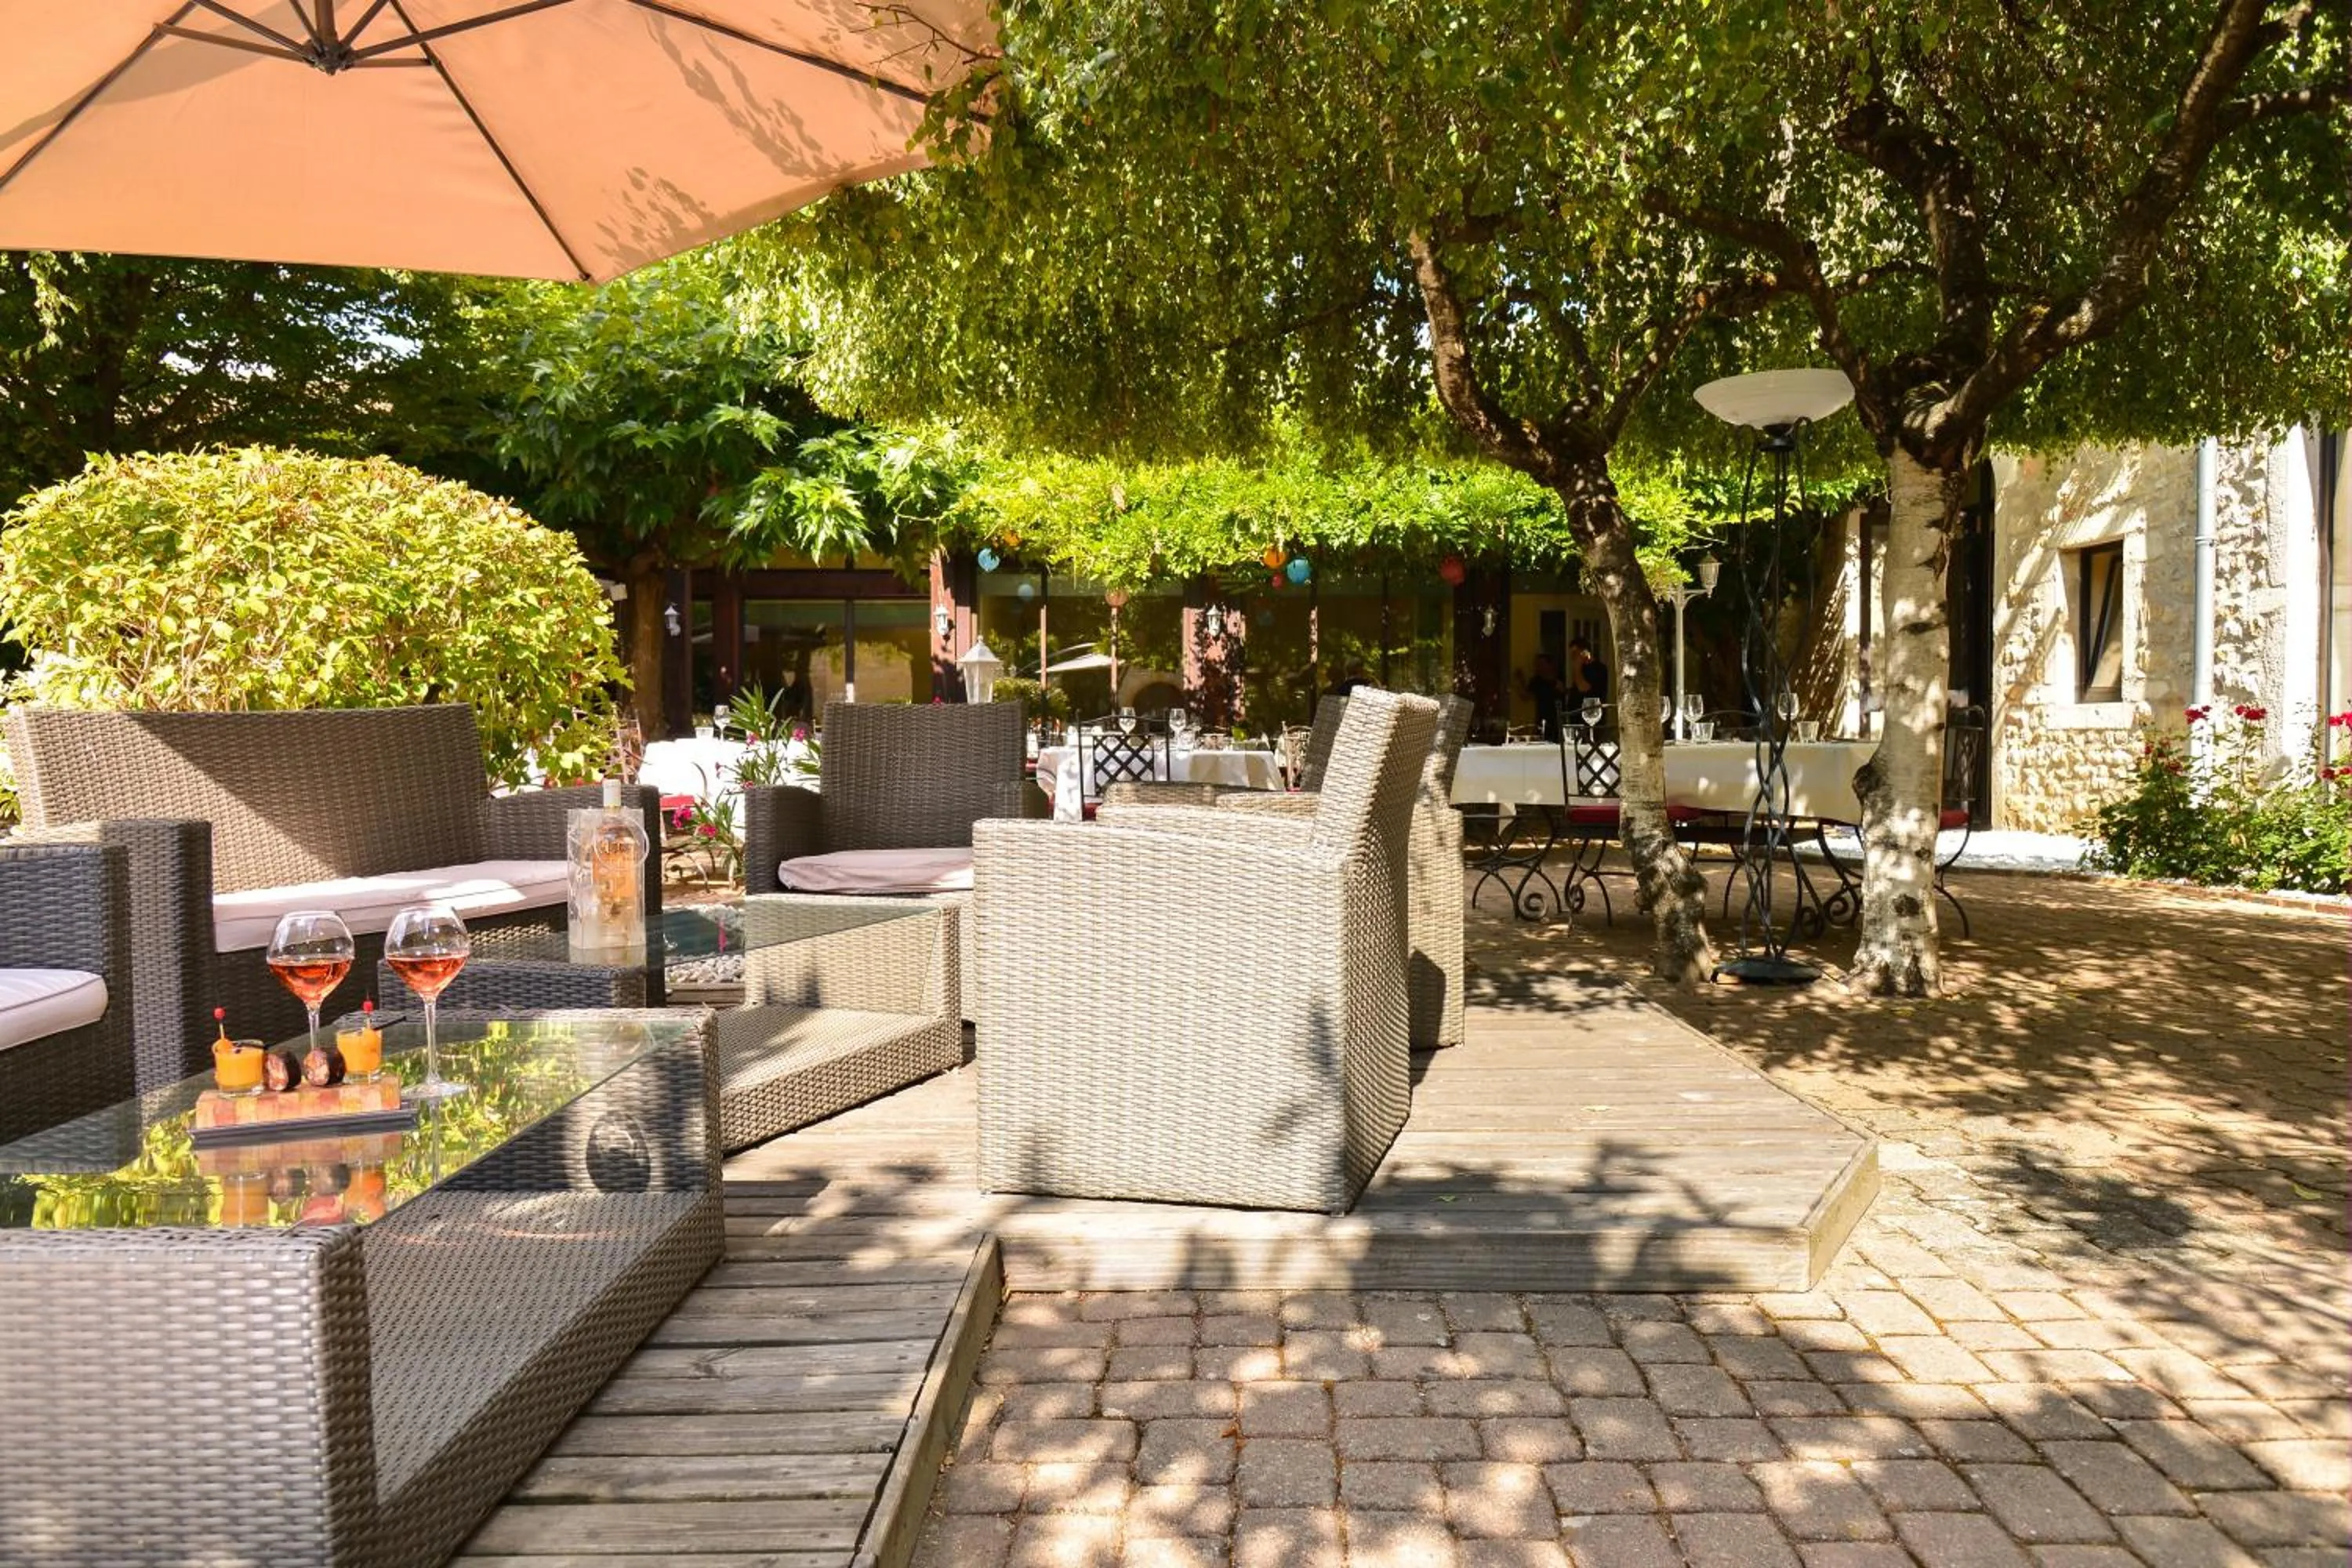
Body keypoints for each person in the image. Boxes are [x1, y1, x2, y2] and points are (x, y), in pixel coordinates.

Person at [1524, 652, 1563, 740]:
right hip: (1541, 719)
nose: (1539, 667)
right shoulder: (1536, 681)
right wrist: (1520, 682)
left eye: (1542, 664)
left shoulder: (1559, 679)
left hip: (1557, 720)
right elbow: (1526, 696)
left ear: (1549, 665)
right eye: (1537, 665)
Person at [1566, 637, 1611, 710]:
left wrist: (1577, 667)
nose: (1573, 657)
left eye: (1575, 653)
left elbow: (1583, 688)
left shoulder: (1599, 668)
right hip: (1576, 712)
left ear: (1585, 652)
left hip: (1590, 712)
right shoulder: (1582, 668)